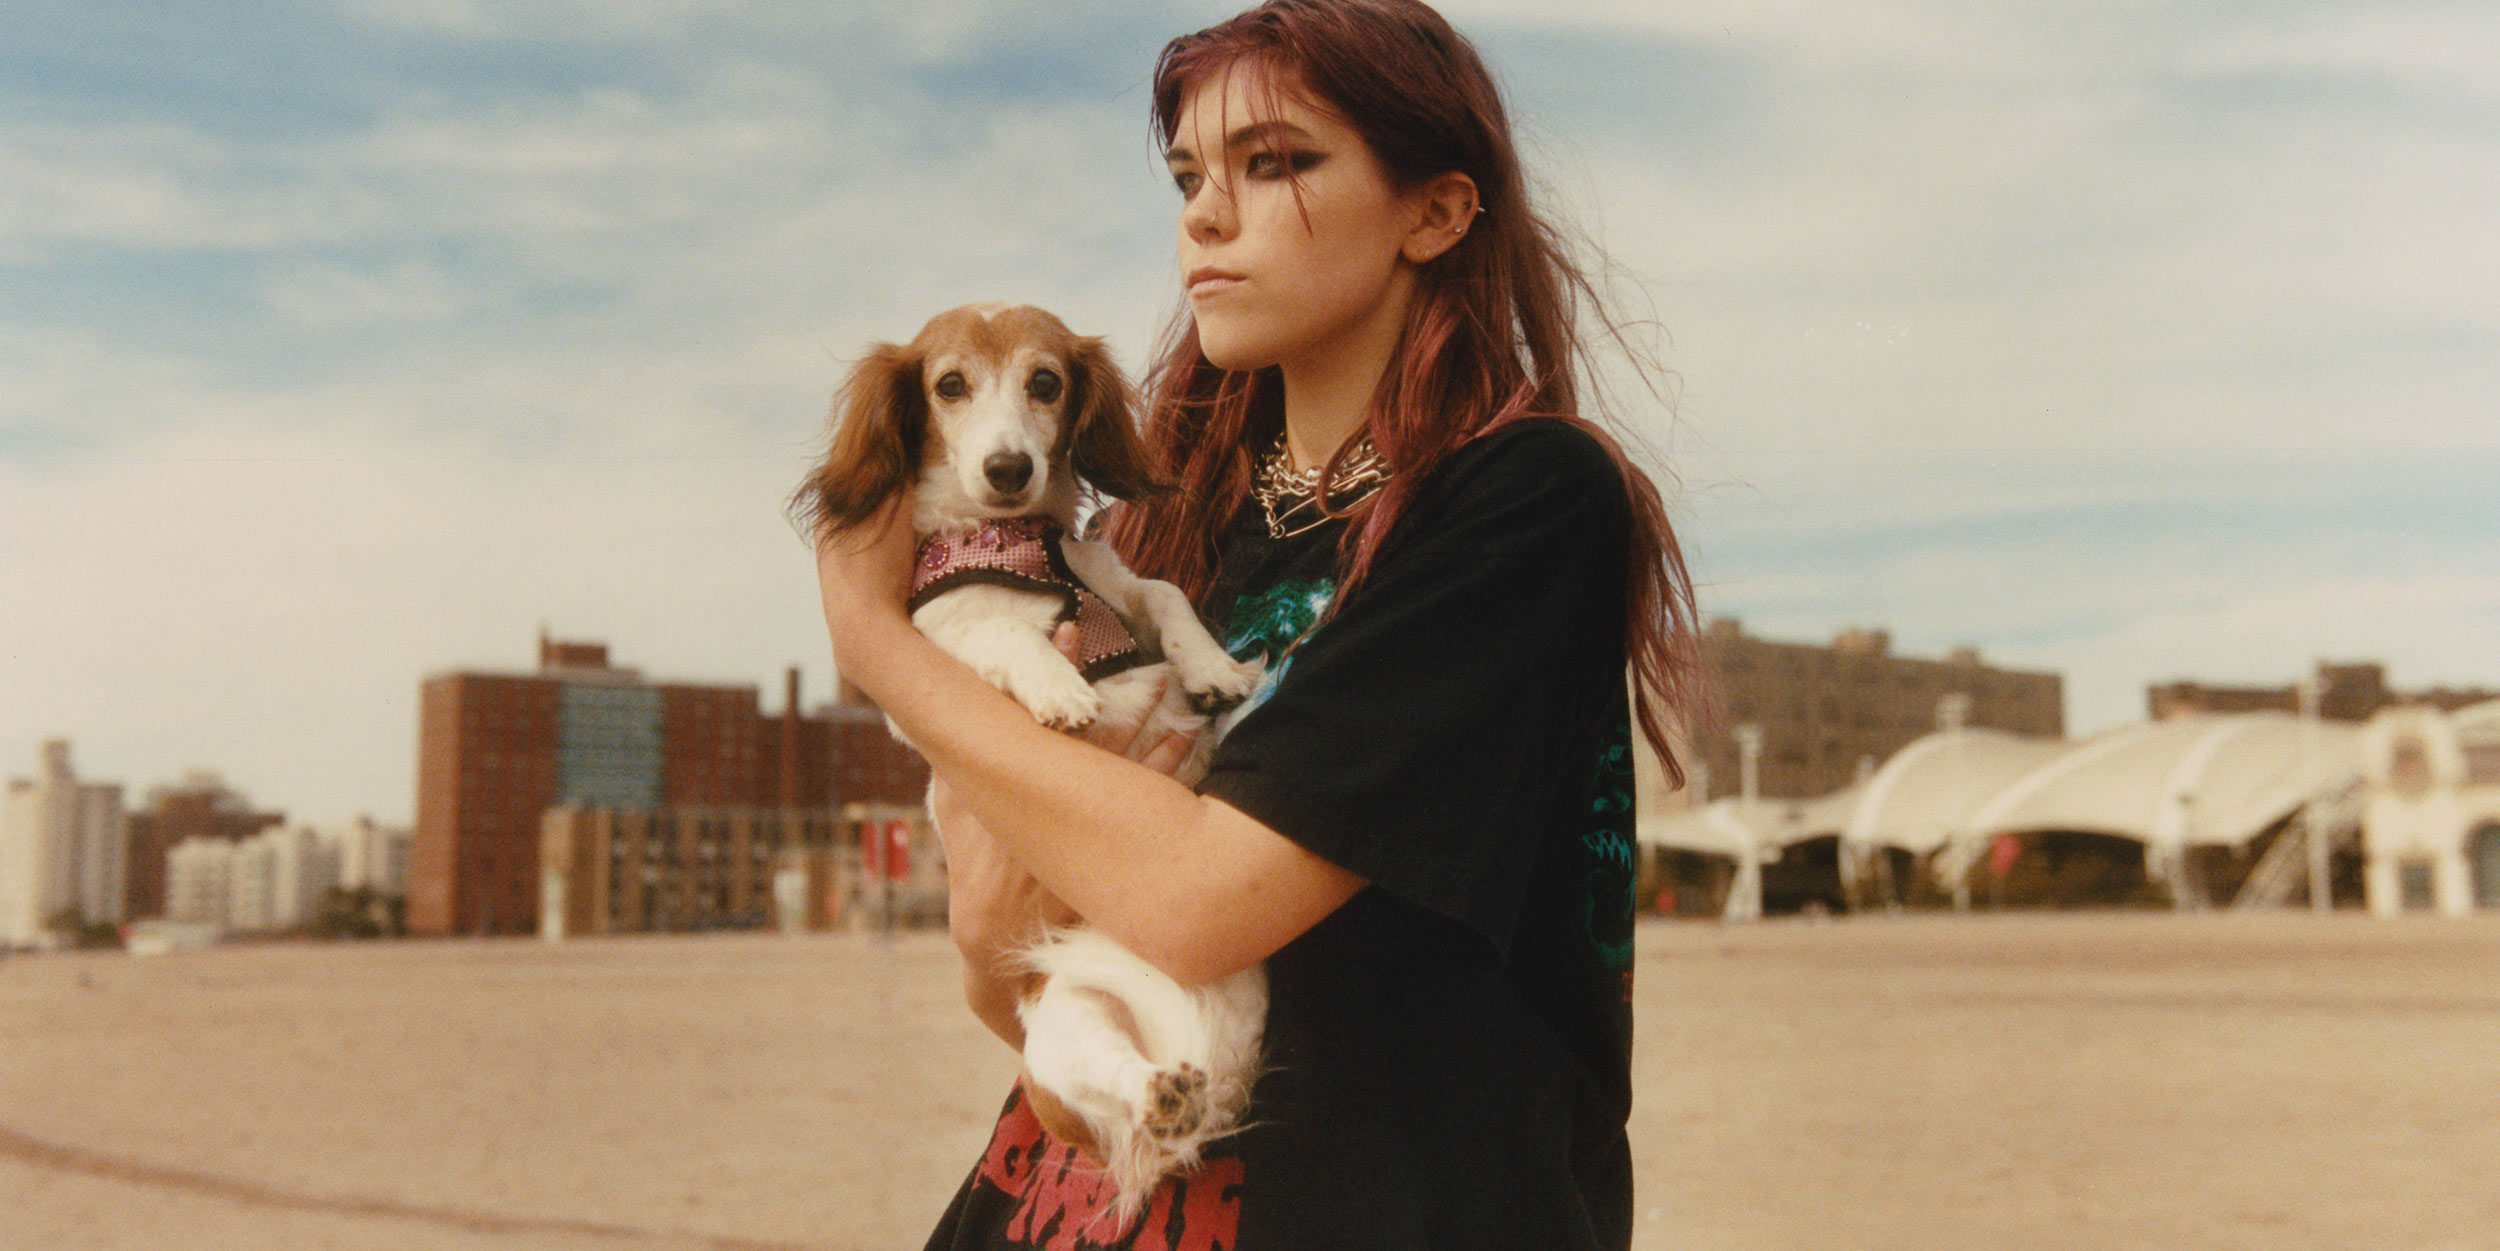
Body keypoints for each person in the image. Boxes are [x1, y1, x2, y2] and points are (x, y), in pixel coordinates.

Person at [812, 1, 1704, 1246]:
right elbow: (1014, 981)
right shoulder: (1157, 531)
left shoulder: (1521, 500)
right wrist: (987, 924)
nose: (1202, 214)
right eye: (1187, 175)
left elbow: (1191, 902)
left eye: (1272, 163)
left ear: (1436, 212)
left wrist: (876, 646)